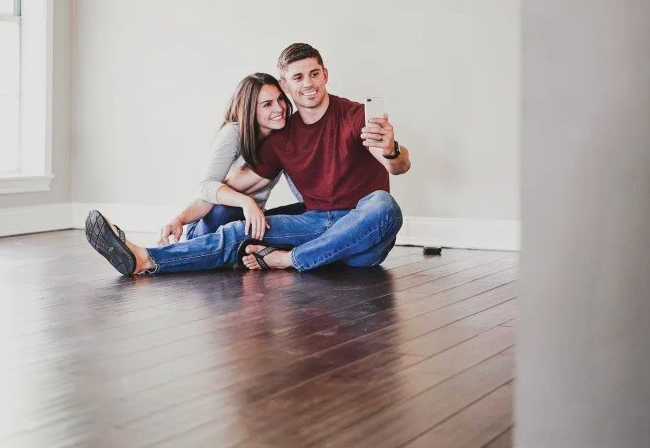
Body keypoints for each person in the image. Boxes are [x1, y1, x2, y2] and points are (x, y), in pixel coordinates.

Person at [84, 43, 411, 275]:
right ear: (285, 85)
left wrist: (391, 150)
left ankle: (287, 260)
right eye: (298, 78)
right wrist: (180, 218)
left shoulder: (355, 116)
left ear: (325, 74)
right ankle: (145, 258)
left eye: (314, 74)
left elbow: (399, 166)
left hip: (362, 235)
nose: (308, 84)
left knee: (383, 205)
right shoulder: (282, 137)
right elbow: (228, 186)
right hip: (316, 223)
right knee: (243, 229)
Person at [158, 73, 306, 246]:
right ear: (250, 109)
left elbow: (301, 189)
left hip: (247, 220)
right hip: (210, 222)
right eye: (267, 104)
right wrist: (246, 202)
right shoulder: (234, 132)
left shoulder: (283, 140)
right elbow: (206, 187)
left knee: (310, 210)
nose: (279, 108)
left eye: (280, 99)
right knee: (229, 210)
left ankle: (254, 249)